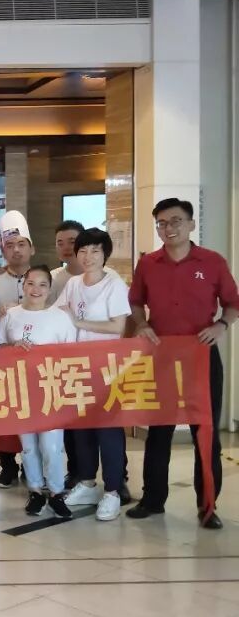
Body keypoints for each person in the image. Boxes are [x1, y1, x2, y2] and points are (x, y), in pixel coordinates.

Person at [127, 198, 239, 530]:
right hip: (160, 356)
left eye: (176, 221)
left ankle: (208, 505)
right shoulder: (148, 263)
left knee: (204, 431)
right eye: (162, 223)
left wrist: (221, 325)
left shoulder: (213, 262)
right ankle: (152, 500)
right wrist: (142, 324)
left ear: (191, 224)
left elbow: (233, 304)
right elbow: (136, 302)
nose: (169, 228)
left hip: (200, 356)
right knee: (158, 430)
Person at [56, 227, 131, 521]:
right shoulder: (73, 283)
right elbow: (58, 316)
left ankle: (113, 490)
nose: (88, 256)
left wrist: (80, 323)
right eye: (83, 251)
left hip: (107, 367)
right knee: (82, 428)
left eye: (95, 251)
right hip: (77, 367)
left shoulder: (114, 284)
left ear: (105, 254)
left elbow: (118, 327)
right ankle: (87, 482)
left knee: (108, 430)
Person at [0, 265, 75, 518]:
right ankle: (35, 490)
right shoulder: (11, 315)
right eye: (31, 283)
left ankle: (56, 492)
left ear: (50, 289)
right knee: (29, 446)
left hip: (51, 391)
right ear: (23, 285)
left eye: (43, 285)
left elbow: (72, 355)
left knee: (52, 446)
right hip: (21, 389)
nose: (36, 289)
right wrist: (12, 347)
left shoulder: (60, 318)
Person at [0, 210, 35, 489]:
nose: (16, 250)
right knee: (3, 416)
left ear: (31, 248)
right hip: (1, 361)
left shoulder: (44, 280)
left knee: (33, 415)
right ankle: (7, 466)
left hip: (35, 361)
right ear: (2, 250)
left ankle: (32, 465)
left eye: (21, 244)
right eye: (10, 245)